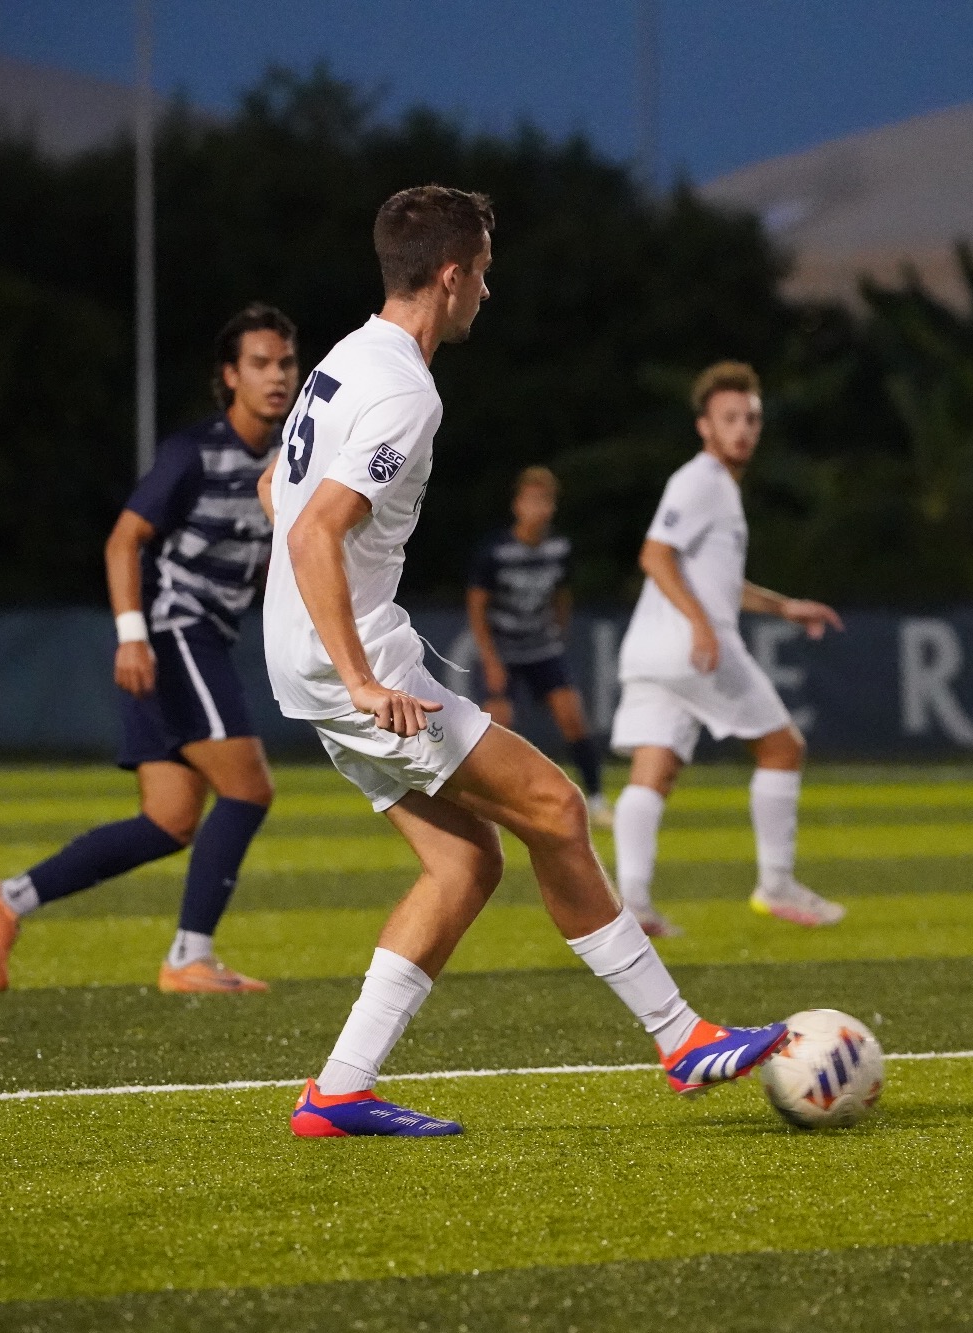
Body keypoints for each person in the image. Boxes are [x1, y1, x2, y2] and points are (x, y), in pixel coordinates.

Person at [259, 184, 790, 1138]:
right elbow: (313, 537)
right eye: (486, 277)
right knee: (555, 805)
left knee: (465, 864)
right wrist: (366, 677)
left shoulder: (345, 356)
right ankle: (680, 1037)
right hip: (351, 658)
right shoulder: (403, 390)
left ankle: (338, 1091)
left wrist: (319, 628)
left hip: (303, 655)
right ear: (453, 275)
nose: (488, 296)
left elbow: (278, 489)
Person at [0, 304, 300, 995]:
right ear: (229, 376)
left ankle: (10, 898)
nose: (277, 376)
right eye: (261, 363)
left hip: (204, 636)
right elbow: (124, 540)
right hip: (176, 635)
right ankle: (188, 957)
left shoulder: (291, 456)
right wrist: (131, 635)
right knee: (248, 789)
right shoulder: (193, 452)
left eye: (287, 362)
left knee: (170, 819)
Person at [608, 361, 847, 938]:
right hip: (694, 650)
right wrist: (701, 625)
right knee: (783, 749)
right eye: (729, 418)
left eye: (751, 418)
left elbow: (713, 581)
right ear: (704, 427)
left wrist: (784, 606)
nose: (742, 429)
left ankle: (632, 906)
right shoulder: (702, 481)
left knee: (653, 773)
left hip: (650, 652)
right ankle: (777, 883)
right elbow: (655, 556)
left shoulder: (714, 488)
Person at [465, 465, 612, 827]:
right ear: (517, 505)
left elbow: (563, 595)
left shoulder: (559, 549)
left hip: (543, 649)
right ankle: (492, 807)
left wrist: (558, 635)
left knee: (572, 718)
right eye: (532, 501)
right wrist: (490, 658)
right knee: (498, 726)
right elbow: (476, 605)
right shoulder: (496, 552)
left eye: (545, 501)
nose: (538, 509)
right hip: (506, 650)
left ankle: (596, 799)